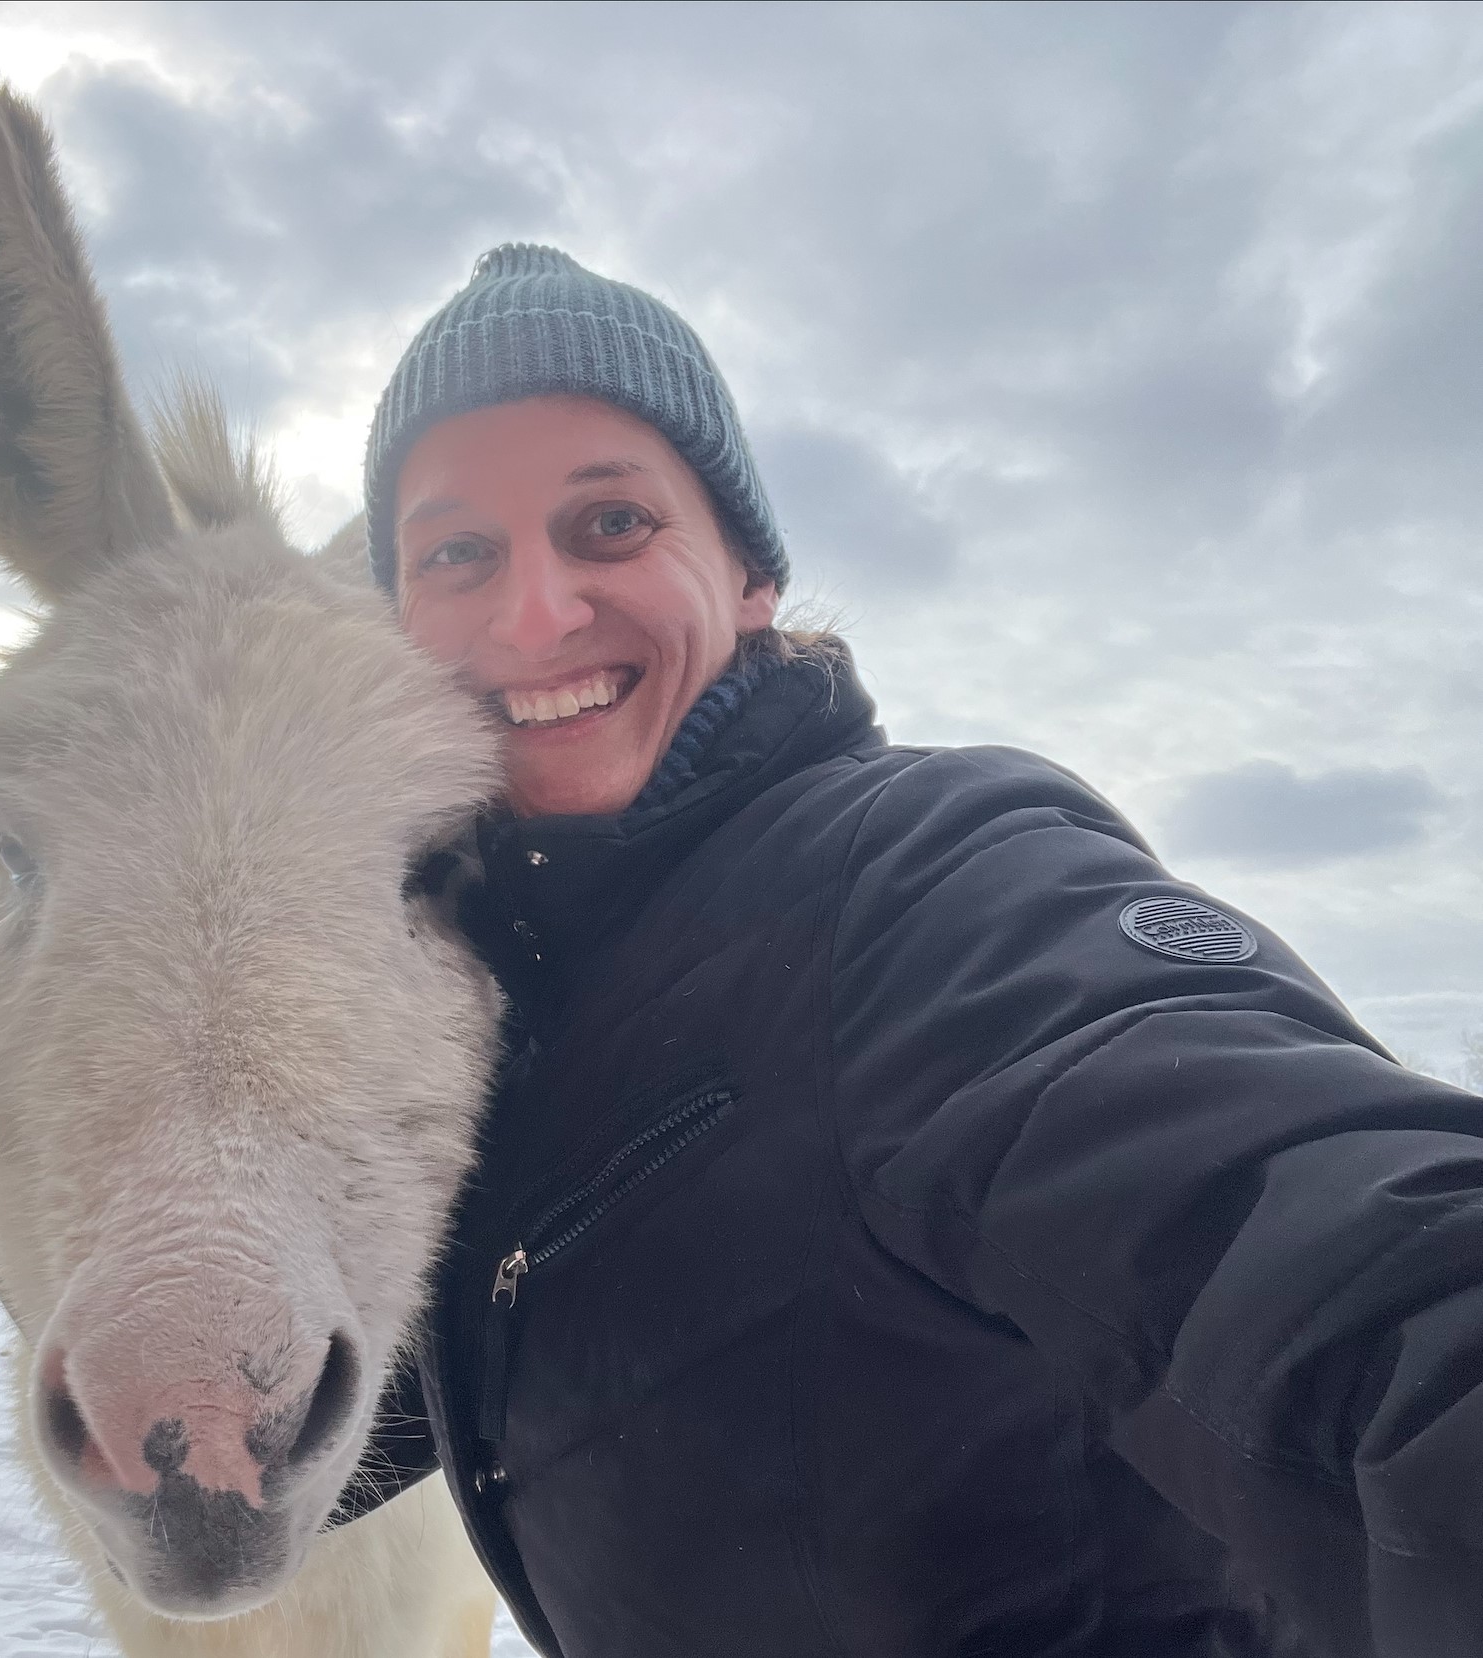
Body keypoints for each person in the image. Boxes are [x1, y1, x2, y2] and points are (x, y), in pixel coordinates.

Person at [350, 243, 1483, 1657]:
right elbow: (302, 1421)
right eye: (456, 551)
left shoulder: (920, 877)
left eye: (609, 523)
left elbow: (1332, 1254)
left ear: (748, 571)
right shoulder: (496, 1009)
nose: (532, 612)